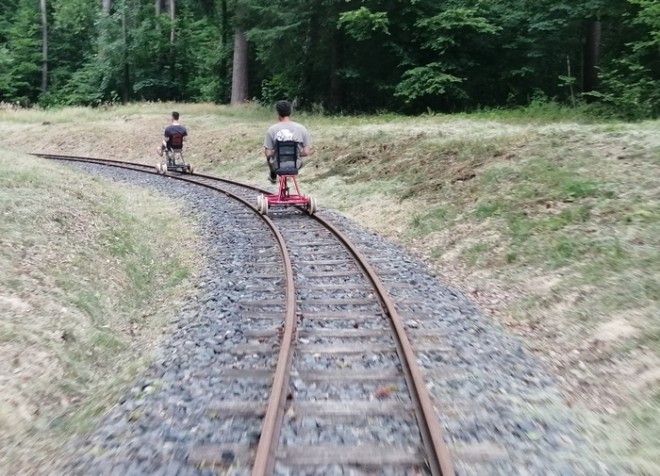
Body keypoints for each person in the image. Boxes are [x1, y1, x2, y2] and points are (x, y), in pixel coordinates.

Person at [263, 100, 313, 183]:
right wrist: (293, 153)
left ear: (278, 113)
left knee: (268, 154)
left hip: (278, 165)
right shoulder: (301, 128)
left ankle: (273, 176)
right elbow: (306, 152)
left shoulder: (272, 130)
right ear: (290, 112)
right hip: (295, 165)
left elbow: (268, 153)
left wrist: (278, 152)